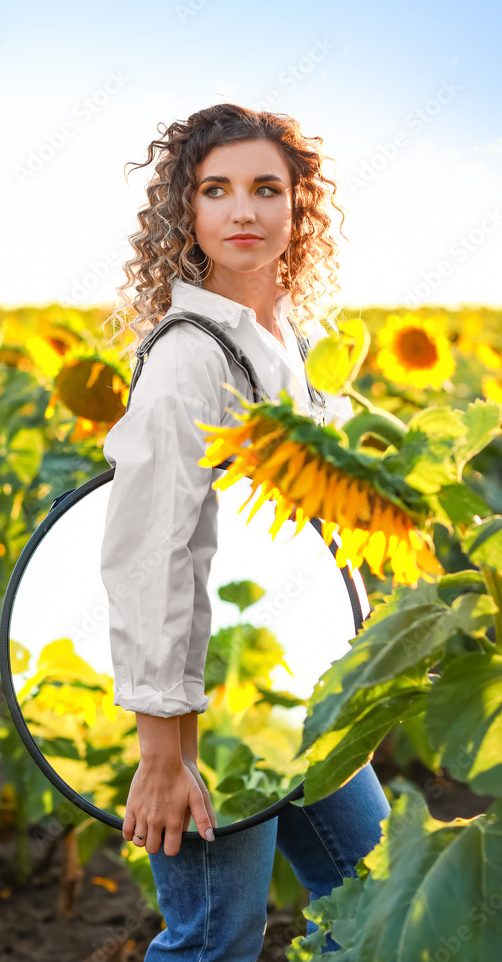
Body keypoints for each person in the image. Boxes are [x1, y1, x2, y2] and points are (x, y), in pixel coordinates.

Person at [99, 103, 391, 958]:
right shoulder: (192, 354)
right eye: (215, 190)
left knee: (372, 902)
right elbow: (152, 550)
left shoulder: (281, 339)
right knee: (213, 940)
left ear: (299, 209)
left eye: (267, 189)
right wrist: (163, 751)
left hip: (285, 692)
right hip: (206, 713)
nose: (243, 212)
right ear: (185, 214)